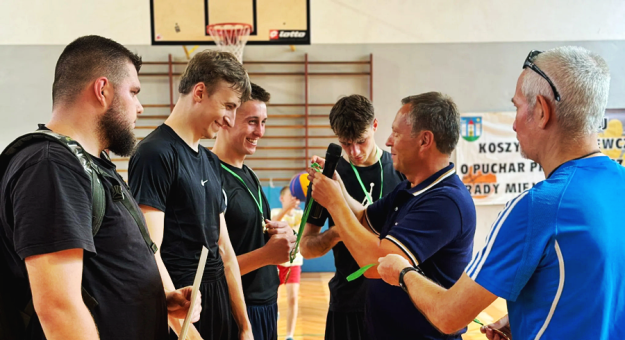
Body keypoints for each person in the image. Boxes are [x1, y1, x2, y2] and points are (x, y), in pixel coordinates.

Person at [377, 46, 625, 340]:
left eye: (518, 107)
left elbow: (449, 315)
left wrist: (404, 272)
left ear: (542, 111)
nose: (514, 123)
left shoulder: (539, 207)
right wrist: (524, 314)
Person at [0, 35, 199, 340]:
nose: (140, 107)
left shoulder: (91, 164)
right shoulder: (51, 166)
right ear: (102, 90)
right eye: (133, 92)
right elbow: (58, 308)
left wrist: (159, 301)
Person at [309, 92, 476, 339]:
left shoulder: (444, 201)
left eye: (396, 133)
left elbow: (376, 264)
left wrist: (335, 203)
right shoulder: (409, 188)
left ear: (424, 140)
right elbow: (365, 217)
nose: (389, 141)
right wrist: (339, 187)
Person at [129, 50, 253, 340]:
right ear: (199, 92)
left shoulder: (209, 160)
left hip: (218, 302)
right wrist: (186, 332)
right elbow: (150, 251)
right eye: (228, 106)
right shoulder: (155, 153)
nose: (231, 120)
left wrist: (245, 326)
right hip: (182, 311)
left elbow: (225, 250)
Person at [299, 94, 405, 340]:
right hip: (348, 303)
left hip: (396, 302)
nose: (355, 152)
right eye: (346, 144)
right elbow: (306, 247)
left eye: (361, 141)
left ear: (375, 126)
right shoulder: (327, 179)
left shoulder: (402, 171)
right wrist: (339, 232)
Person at [212, 82, 297, 340]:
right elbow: (211, 268)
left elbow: (253, 235)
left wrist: (281, 232)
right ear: (226, 120)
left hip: (267, 303)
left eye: (264, 122)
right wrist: (266, 254)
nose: (260, 131)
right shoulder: (209, 176)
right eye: (252, 121)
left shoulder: (249, 174)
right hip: (235, 309)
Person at [271, 186, 304, 340]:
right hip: (275, 262)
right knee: (272, 299)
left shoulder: (300, 215)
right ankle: (272, 330)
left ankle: (289, 335)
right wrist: (285, 210)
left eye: (295, 197)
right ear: (282, 198)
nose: (293, 199)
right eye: (290, 196)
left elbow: (302, 235)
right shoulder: (274, 213)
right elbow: (269, 225)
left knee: (293, 298)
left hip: (294, 263)